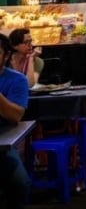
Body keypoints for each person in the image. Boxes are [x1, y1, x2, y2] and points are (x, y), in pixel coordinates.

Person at [0, 33, 31, 208]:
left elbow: (15, 115)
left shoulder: (17, 80)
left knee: (20, 185)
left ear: (5, 56)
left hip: (3, 143)